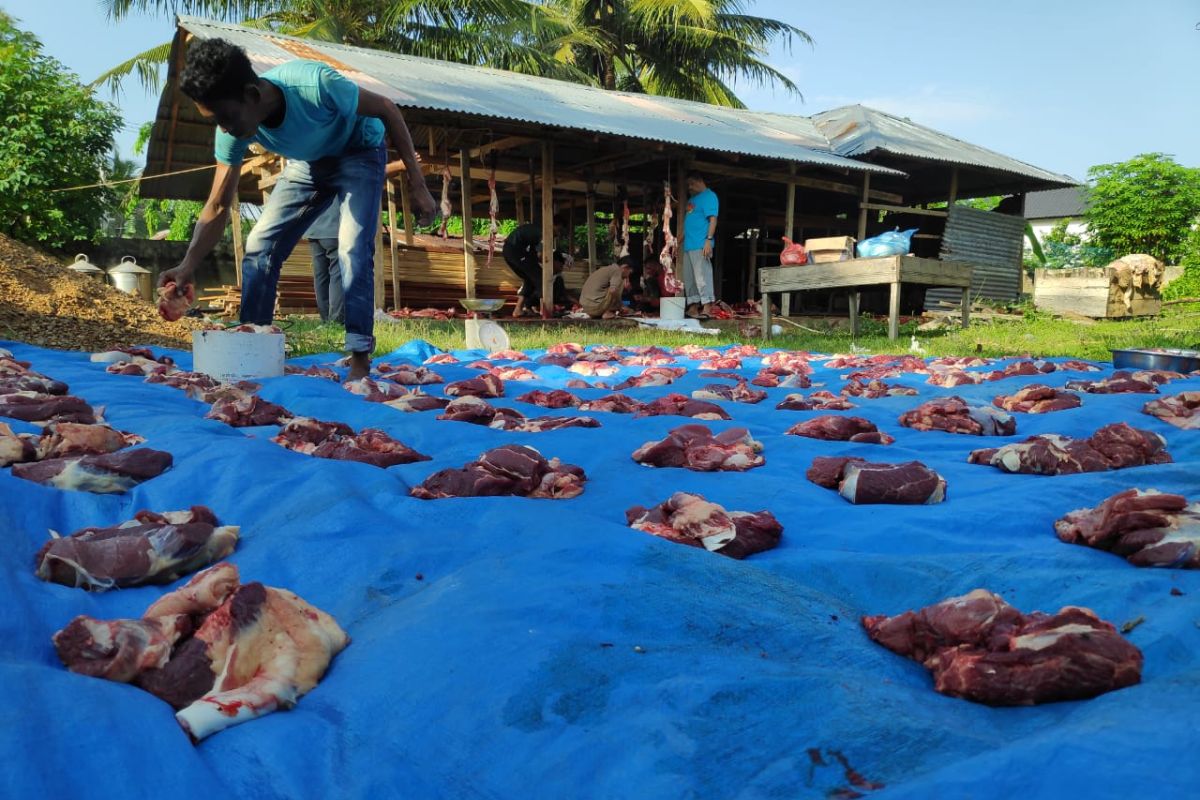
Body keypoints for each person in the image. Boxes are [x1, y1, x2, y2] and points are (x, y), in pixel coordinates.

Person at [157, 38, 437, 380]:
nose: (224, 129)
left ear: (252, 96)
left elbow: (387, 108)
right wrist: (187, 265)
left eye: (226, 118)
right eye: (215, 120)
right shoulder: (232, 127)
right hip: (309, 162)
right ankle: (253, 350)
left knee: (351, 247)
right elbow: (217, 203)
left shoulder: (315, 85)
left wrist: (418, 185)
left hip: (359, 150)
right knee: (260, 245)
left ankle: (360, 360)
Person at [503, 217, 569, 317]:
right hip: (515, 250)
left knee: (530, 280)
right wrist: (551, 263)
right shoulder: (544, 232)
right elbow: (540, 255)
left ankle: (518, 310)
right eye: (558, 230)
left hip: (510, 251)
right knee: (541, 278)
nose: (558, 234)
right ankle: (544, 310)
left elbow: (535, 256)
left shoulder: (536, 230)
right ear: (553, 225)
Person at [682, 171, 719, 319]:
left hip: (701, 243)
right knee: (689, 278)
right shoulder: (692, 199)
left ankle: (707, 306)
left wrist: (708, 240)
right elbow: (689, 222)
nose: (690, 187)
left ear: (700, 181)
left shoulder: (710, 197)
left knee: (702, 276)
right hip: (688, 244)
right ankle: (692, 307)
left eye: (691, 184)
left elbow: (713, 220)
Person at [305, 204, 343, 324]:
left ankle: (325, 319)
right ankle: (336, 320)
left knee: (320, 276)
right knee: (337, 274)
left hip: (314, 230)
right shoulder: (345, 184)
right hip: (335, 228)